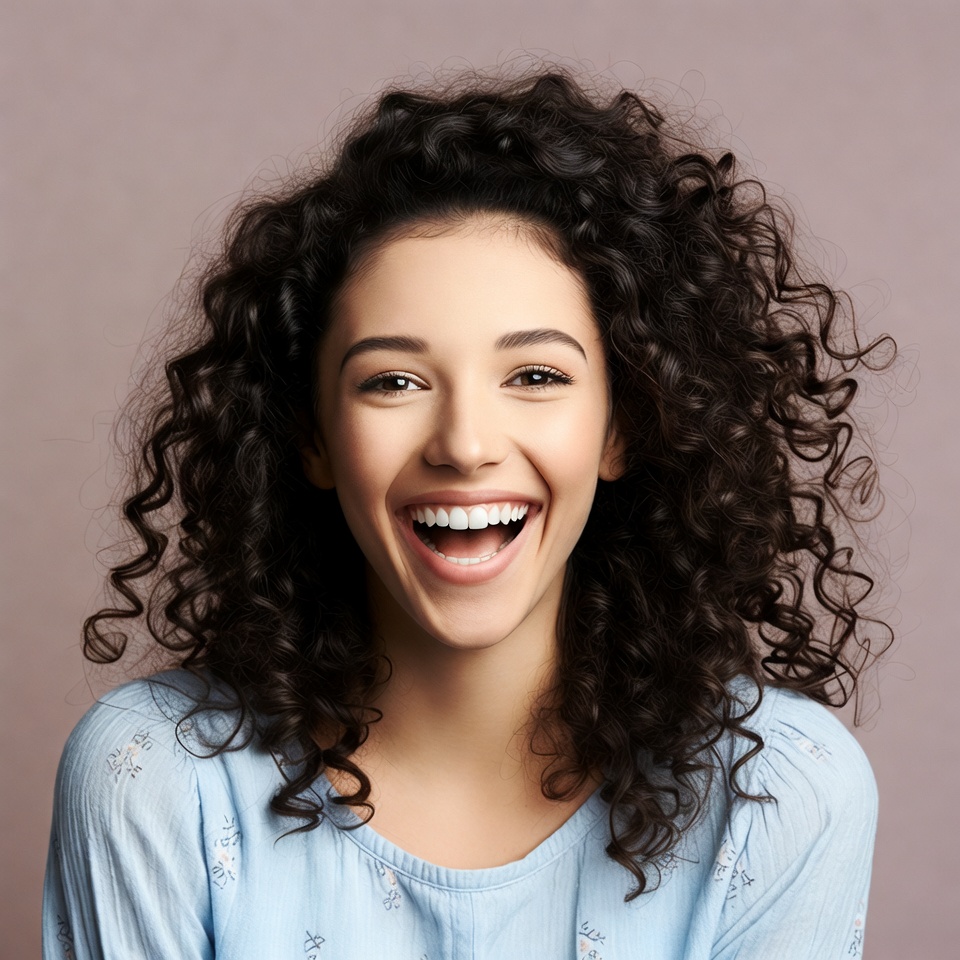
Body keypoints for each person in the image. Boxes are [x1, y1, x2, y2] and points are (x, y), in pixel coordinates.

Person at [43, 67, 892, 959]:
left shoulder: (778, 795)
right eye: (393, 381)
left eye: (536, 376)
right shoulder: (154, 778)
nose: (464, 443)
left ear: (623, 425)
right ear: (312, 440)